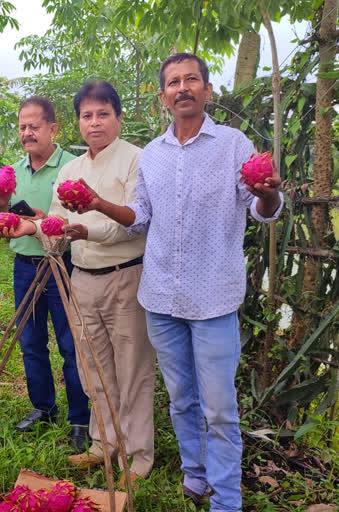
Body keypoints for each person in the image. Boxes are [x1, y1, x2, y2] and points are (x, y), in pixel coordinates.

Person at [74, 54, 283, 511]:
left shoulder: (233, 145)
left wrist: (269, 194)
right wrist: (97, 202)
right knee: (181, 399)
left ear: (207, 91)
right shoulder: (153, 155)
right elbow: (139, 219)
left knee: (220, 409)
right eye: (173, 82)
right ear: (162, 96)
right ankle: (195, 472)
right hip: (162, 297)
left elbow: (261, 209)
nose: (182, 88)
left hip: (213, 299)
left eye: (192, 80)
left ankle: (226, 499)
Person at [0, 81, 156, 490]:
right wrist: (21, 226)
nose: (95, 122)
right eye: (88, 115)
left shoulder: (138, 160)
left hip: (126, 275)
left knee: (132, 369)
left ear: (118, 117)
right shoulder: (71, 171)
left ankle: (138, 458)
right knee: (92, 366)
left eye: (103, 114)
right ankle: (103, 442)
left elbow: (135, 221)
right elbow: (55, 226)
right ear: (79, 123)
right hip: (81, 279)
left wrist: (85, 224)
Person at [0, 96, 89, 451]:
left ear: (52, 128)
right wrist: (1, 209)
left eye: (34, 126)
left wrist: (33, 219)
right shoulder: (12, 171)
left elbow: (75, 220)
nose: (27, 133)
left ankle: (81, 418)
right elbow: (5, 213)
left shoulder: (74, 167)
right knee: (31, 343)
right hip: (25, 266)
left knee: (71, 344)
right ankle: (42, 407)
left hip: (63, 265)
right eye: (22, 127)